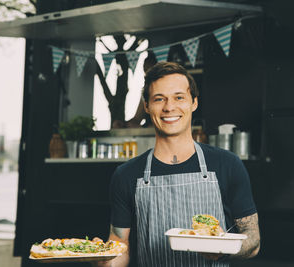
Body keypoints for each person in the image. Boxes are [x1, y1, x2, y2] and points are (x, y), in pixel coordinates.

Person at [95, 62, 260, 267]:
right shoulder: (126, 174)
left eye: (179, 97)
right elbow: (120, 243)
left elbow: (253, 240)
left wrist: (223, 252)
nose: (169, 107)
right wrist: (105, 262)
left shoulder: (227, 164)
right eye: (159, 99)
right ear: (146, 106)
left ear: (194, 103)